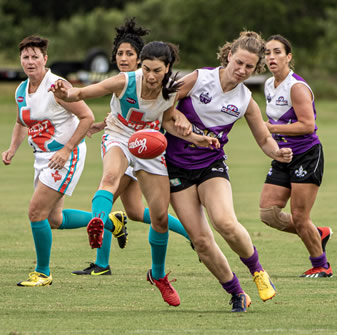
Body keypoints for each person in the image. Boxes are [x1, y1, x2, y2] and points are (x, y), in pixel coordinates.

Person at [50, 40, 218, 306]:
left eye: (157, 71)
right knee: (110, 177)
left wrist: (197, 139)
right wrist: (64, 92)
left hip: (150, 143)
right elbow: (82, 93)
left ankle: (159, 276)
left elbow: (167, 122)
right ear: (141, 65)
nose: (151, 76)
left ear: (168, 68)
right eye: (147, 69)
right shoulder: (124, 81)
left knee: (159, 217)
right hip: (118, 135)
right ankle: (99, 221)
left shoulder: (171, 91)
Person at [164, 31, 293, 312]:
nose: (242, 70)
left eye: (249, 67)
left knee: (224, 222)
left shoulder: (246, 99)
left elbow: (264, 139)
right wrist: (179, 115)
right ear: (228, 56)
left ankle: (258, 272)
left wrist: (277, 152)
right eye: (239, 62)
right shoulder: (199, 78)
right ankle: (237, 293)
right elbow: (164, 108)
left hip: (211, 165)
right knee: (200, 240)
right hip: (176, 168)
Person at [58, 18, 192, 277]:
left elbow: (167, 114)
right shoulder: (123, 80)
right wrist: (96, 119)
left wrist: (186, 126)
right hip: (120, 139)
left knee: (117, 198)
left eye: (128, 54)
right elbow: (115, 108)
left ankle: (103, 261)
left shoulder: (157, 82)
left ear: (142, 59)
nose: (123, 58)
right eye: (119, 53)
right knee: (131, 208)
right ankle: (104, 256)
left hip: (143, 147)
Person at [2, 35, 95, 286]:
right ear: (20, 60)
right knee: (54, 219)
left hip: (66, 156)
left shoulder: (57, 87)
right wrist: (12, 148)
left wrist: (67, 149)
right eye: (25, 57)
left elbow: (87, 117)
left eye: (35, 56)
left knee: (35, 212)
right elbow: (22, 121)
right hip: (42, 158)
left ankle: (43, 273)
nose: (30, 61)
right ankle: (107, 220)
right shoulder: (22, 90)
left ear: (45, 59)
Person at [259, 34, 333, 278]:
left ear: (288, 57)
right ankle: (317, 233)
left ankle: (321, 265)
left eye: (277, 52)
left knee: (301, 217)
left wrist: (271, 128)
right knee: (268, 213)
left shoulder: (297, 87)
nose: (271, 57)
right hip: (284, 156)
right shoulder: (269, 85)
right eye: (267, 52)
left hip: (306, 155)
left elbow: (307, 126)